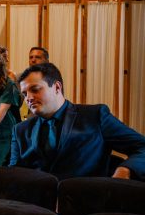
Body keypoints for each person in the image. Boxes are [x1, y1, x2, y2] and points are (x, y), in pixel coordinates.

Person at [10, 63, 145, 180]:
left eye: (35, 89)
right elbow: (14, 175)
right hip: (37, 206)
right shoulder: (20, 130)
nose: (28, 98)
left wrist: (125, 170)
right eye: (25, 93)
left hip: (86, 202)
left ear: (57, 87)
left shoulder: (95, 116)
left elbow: (142, 147)